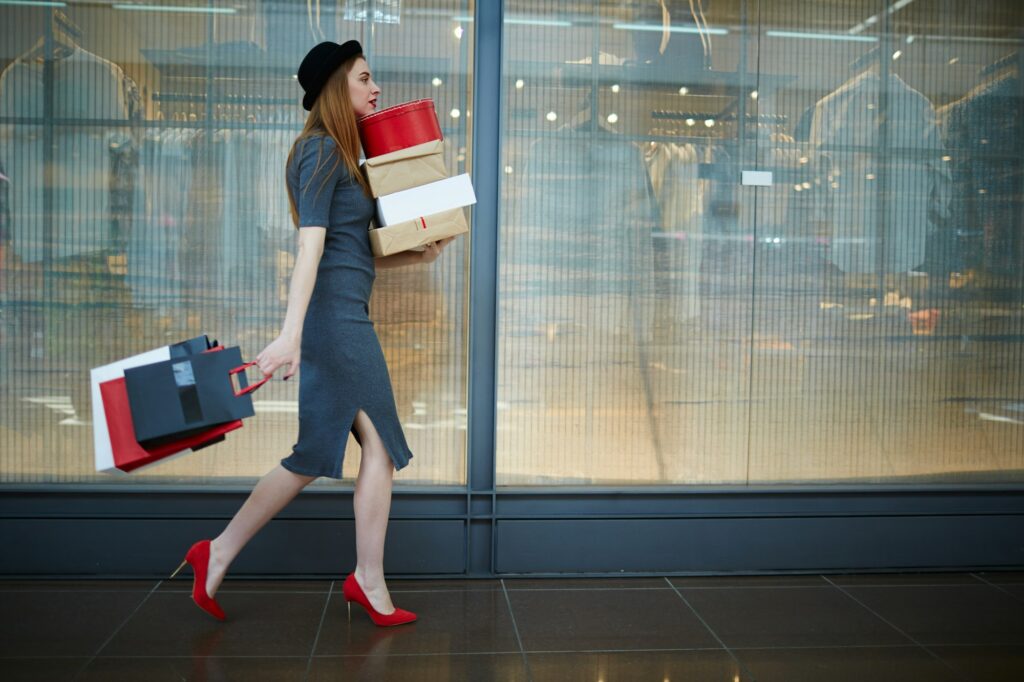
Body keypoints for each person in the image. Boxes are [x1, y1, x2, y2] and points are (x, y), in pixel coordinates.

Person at [170, 40, 453, 627]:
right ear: (335, 87)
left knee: (314, 456)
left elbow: (351, 255)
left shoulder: (341, 156)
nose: (376, 90)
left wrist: (417, 257)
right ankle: (366, 579)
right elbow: (310, 246)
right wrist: (290, 334)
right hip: (335, 324)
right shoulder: (321, 152)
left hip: (342, 314)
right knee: (377, 449)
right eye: (365, 79)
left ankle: (218, 552)